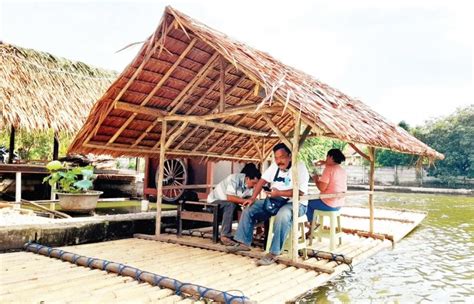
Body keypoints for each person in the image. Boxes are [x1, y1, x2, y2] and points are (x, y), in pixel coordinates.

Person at [226, 143, 309, 266]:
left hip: (295, 203)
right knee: (249, 207)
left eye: (282, 157)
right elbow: (262, 181)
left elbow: (300, 191)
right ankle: (243, 243)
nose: (278, 161)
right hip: (275, 201)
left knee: (283, 215)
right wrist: (253, 198)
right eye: (276, 158)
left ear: (290, 156)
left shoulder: (300, 167)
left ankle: (273, 253)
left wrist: (279, 192)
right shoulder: (274, 167)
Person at [207, 163, 261, 246]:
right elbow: (230, 198)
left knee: (245, 208)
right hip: (214, 202)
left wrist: (252, 201)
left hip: (228, 204)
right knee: (230, 204)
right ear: (247, 178)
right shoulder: (234, 178)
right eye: (253, 183)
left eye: (256, 184)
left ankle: (242, 237)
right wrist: (246, 201)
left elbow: (248, 199)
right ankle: (225, 236)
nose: (254, 186)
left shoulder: (249, 186)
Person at [306, 148, 347, 223]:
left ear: (330, 157)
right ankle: (315, 224)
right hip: (339, 205)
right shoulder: (342, 170)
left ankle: (312, 225)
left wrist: (316, 179)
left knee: (306, 203)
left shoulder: (328, 169)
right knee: (313, 201)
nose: (325, 159)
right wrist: (325, 162)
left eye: (326, 157)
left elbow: (322, 188)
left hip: (328, 204)